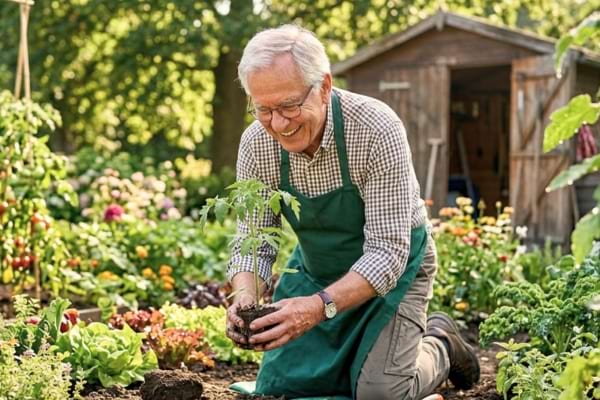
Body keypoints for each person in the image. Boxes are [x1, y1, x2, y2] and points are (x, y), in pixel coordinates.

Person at [226, 24, 480, 400]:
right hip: (316, 272)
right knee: (281, 390)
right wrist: (243, 297)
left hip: (397, 272)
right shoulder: (256, 144)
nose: (278, 124)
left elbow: (388, 255)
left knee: (380, 394)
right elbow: (254, 239)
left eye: (289, 106)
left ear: (324, 87)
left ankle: (440, 344)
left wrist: (316, 308)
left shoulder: (376, 128)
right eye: (263, 109)